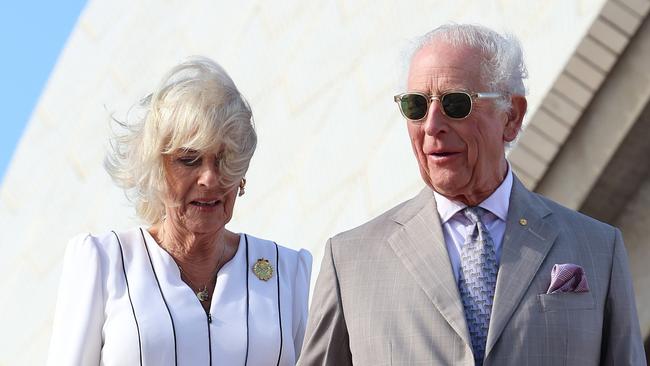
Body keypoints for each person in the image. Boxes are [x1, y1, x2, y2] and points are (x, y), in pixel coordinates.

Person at [299, 24, 646, 365]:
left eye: (455, 103)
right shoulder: (350, 262)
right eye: (416, 106)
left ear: (511, 116)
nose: (432, 125)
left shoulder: (598, 248)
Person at [47, 57, 312, 365]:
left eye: (225, 161)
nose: (210, 178)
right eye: (189, 160)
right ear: (156, 168)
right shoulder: (105, 262)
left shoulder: (286, 272)